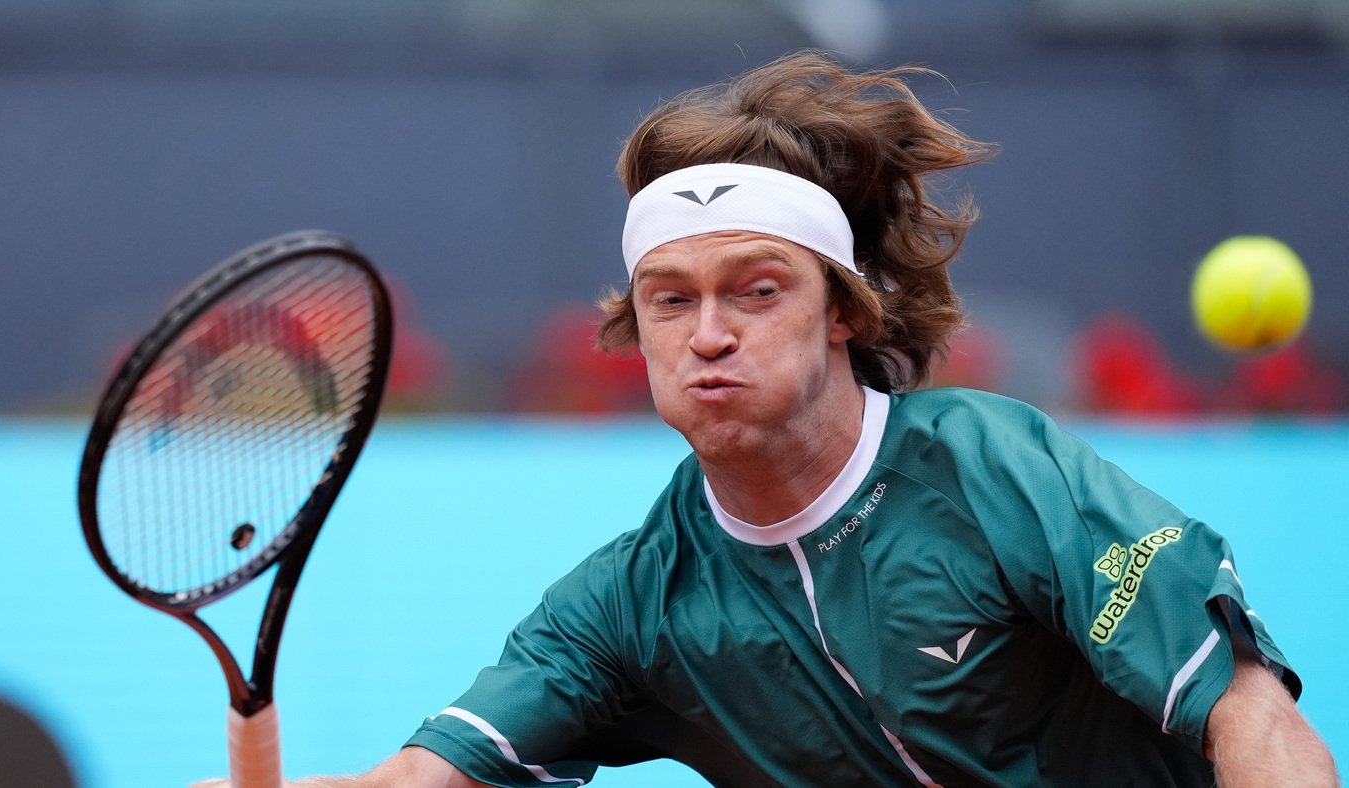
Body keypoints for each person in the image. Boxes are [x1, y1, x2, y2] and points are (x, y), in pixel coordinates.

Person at [237, 51, 1339, 787]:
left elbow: (1244, 709)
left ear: (841, 314)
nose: (709, 333)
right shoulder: (628, 604)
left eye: (757, 290)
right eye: (671, 300)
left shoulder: (996, 467)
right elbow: (421, 779)